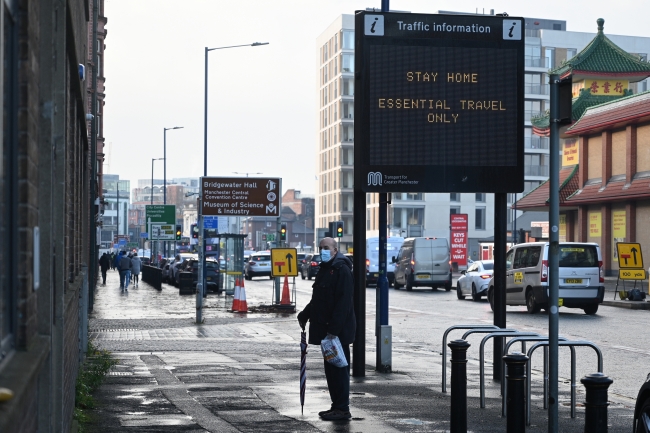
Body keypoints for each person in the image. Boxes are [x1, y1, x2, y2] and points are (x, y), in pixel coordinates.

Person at [297, 237, 355, 421]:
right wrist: (305, 314)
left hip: (337, 332)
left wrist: (334, 331)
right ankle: (336, 406)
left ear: (335, 250)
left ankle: (342, 408)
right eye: (321, 247)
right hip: (327, 332)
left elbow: (343, 303)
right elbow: (319, 299)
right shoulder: (325, 269)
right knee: (331, 370)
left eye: (327, 247)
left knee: (339, 370)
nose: (323, 250)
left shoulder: (341, 270)